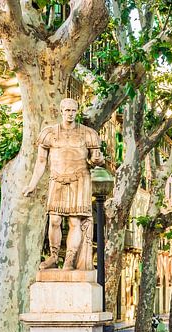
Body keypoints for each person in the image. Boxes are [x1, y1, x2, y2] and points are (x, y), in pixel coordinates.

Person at [23, 98, 105, 270]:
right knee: (54, 220)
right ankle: (53, 257)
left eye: (73, 110)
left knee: (75, 222)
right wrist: (32, 184)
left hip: (80, 179)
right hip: (57, 179)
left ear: (77, 112)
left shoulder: (88, 133)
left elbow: (96, 158)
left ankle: (70, 258)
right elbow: (40, 161)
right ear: (61, 111)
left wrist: (98, 160)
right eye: (67, 110)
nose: (70, 114)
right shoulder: (49, 133)